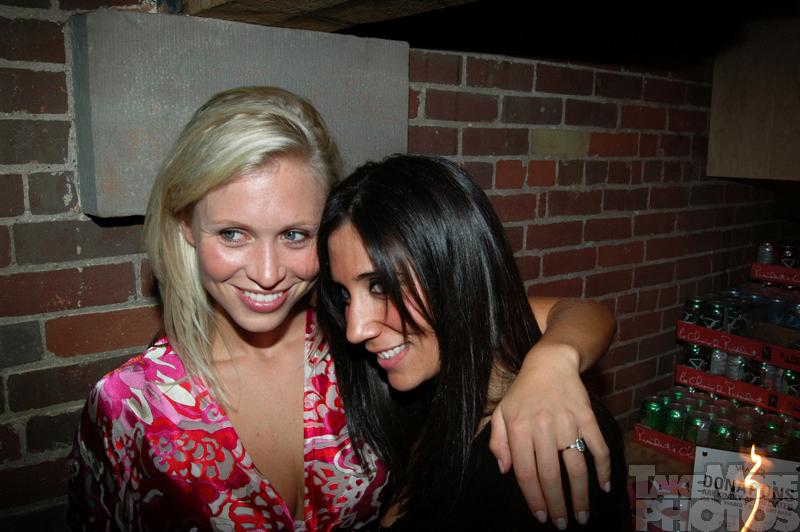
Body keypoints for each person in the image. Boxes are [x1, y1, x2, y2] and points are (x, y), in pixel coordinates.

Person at [68, 87, 615, 531]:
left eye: (295, 234)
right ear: (186, 226)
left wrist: (553, 363)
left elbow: (543, 311)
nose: (266, 273)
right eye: (233, 233)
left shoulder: (354, 342)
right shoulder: (129, 408)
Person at [316, 154, 632, 530]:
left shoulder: (539, 450)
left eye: (380, 285)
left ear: (455, 272)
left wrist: (556, 360)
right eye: (344, 294)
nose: (355, 330)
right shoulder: (425, 389)